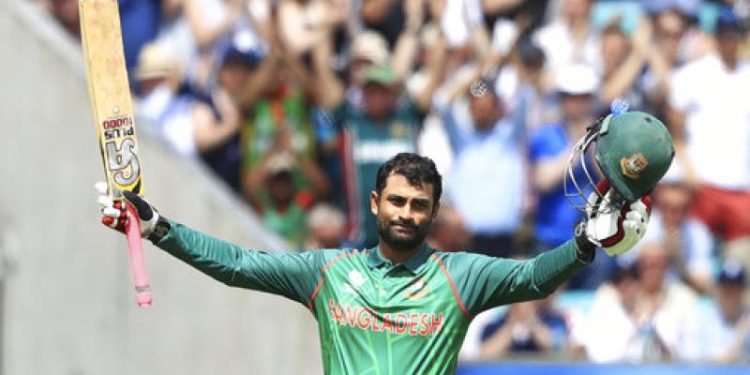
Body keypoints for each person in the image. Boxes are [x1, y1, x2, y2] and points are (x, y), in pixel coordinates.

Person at [97, 152, 651, 374]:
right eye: (397, 202)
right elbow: (239, 264)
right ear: (374, 203)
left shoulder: (459, 276)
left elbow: (532, 277)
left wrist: (584, 244)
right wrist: (157, 227)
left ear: (434, 213)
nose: (406, 214)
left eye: (419, 206)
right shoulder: (329, 273)